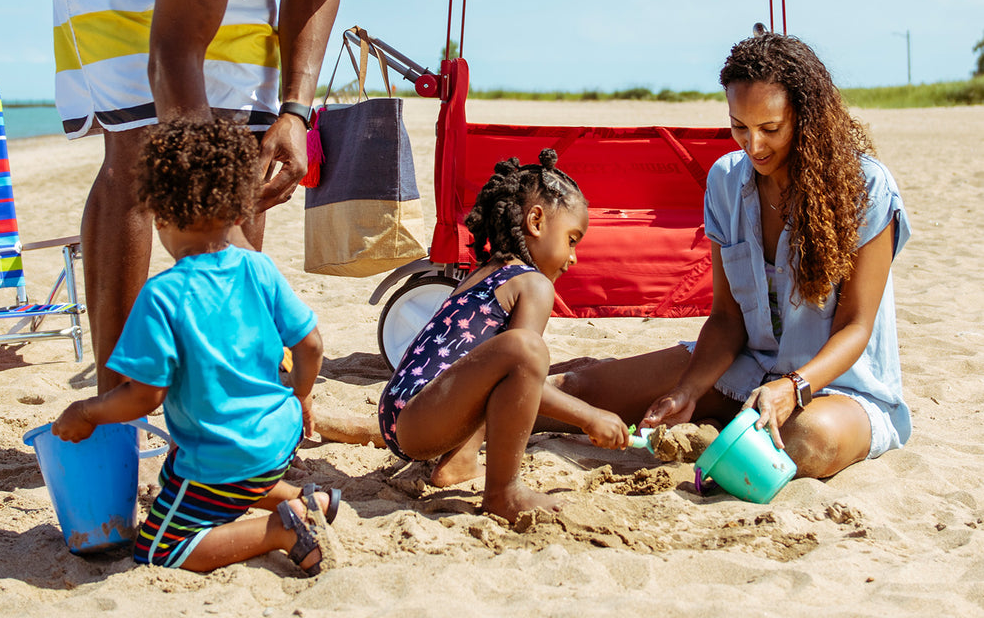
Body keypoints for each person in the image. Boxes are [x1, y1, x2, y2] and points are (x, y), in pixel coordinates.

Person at [47, 0, 485, 389]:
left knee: (252, 148)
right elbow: (173, 50)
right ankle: (121, 392)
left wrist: (293, 111)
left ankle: (231, 378)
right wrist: (199, 205)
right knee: (145, 151)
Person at [552, 32, 911, 480]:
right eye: (739, 126)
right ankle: (461, 403)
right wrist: (687, 392)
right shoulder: (725, 180)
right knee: (580, 390)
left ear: (807, 117)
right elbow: (726, 319)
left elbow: (857, 326)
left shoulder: (867, 187)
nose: (753, 145)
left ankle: (730, 430)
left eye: (771, 129)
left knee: (805, 441)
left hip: (838, 390)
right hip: (746, 367)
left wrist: (792, 387)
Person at [51, 116, 339, 575]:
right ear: (239, 209)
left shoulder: (162, 295)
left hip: (227, 452)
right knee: (176, 475)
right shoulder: (257, 269)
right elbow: (311, 345)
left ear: (159, 216)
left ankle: (285, 529)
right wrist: (300, 397)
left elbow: (144, 396)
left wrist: (87, 411)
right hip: (279, 437)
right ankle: (309, 498)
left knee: (159, 548)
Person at [374, 150, 630, 523]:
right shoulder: (533, 285)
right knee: (525, 351)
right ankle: (503, 492)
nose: (573, 257)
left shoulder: (488, 272)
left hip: (403, 411)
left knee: (499, 359)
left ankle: (460, 462)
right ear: (537, 221)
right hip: (420, 420)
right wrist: (589, 417)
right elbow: (526, 376)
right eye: (572, 239)